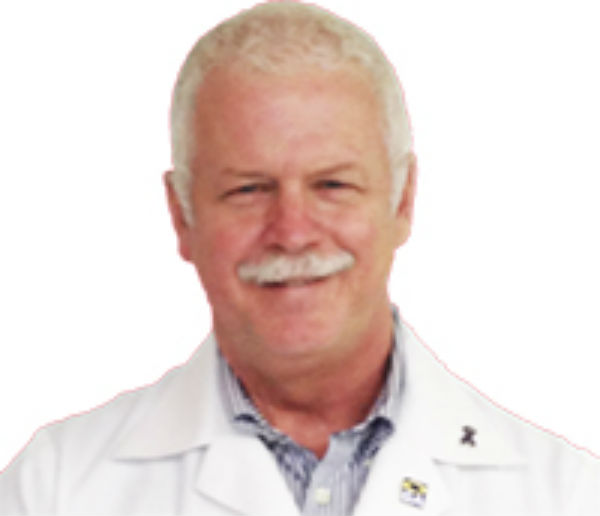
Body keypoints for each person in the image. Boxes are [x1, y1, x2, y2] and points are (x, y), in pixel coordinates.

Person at [1, 2, 598, 515]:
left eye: (333, 185)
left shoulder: (564, 495)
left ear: (402, 201)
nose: (292, 232)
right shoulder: (55, 489)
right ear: (182, 216)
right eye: (248, 189)